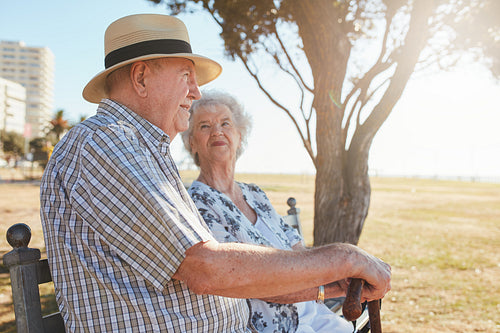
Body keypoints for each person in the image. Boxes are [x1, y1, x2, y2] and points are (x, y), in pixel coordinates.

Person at [40, 14, 391, 332]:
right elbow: (205, 268)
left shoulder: (139, 149)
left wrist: (331, 283)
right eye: (186, 76)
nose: (196, 92)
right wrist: (346, 258)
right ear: (141, 76)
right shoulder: (104, 142)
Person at [182, 90, 352, 332]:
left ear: (239, 136)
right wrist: (330, 288)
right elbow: (253, 281)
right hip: (275, 326)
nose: (217, 131)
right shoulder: (198, 203)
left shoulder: (255, 193)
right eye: (205, 126)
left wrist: (341, 275)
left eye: (225, 123)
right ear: (192, 142)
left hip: (311, 311)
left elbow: (299, 251)